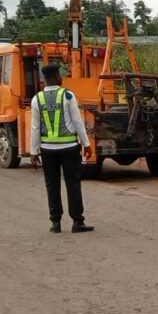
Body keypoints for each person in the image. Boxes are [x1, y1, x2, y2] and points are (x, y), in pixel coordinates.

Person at [30, 64, 94, 234]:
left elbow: (35, 127)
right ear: (57, 77)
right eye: (60, 74)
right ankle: (77, 222)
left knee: (52, 185)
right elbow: (77, 122)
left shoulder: (37, 99)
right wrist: (86, 144)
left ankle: (55, 223)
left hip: (47, 149)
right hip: (69, 148)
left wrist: (34, 152)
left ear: (45, 79)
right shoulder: (68, 95)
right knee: (73, 184)